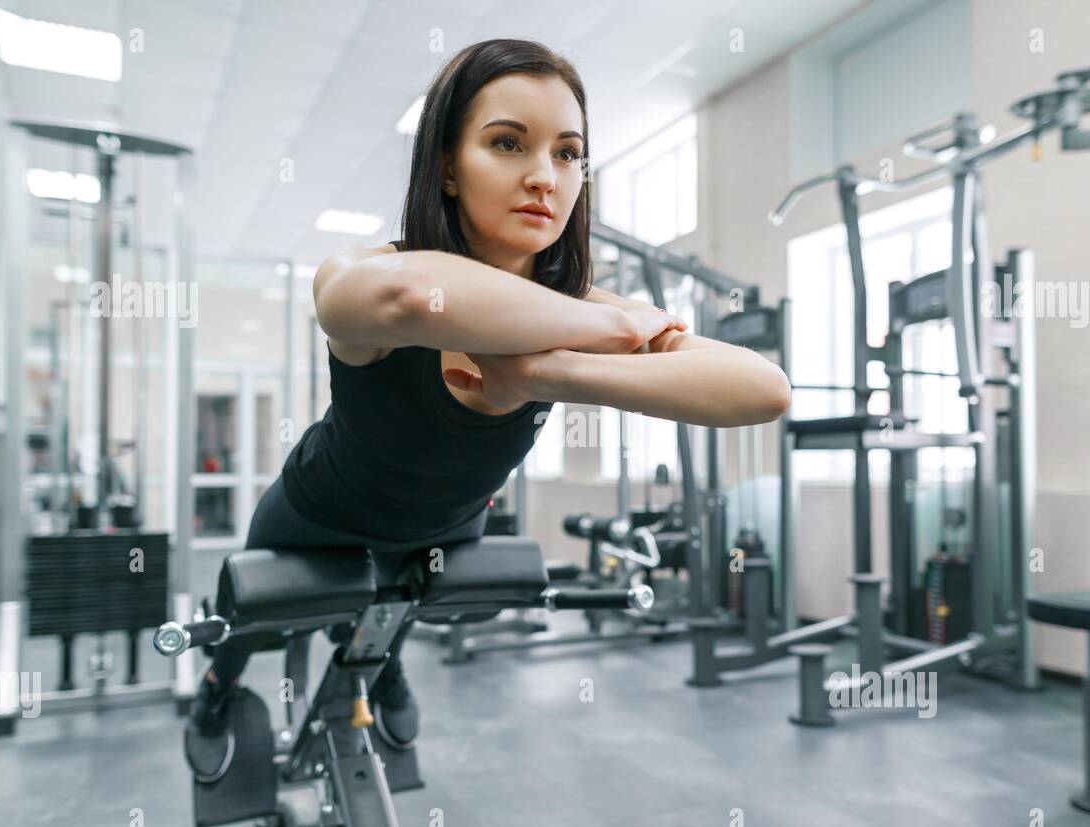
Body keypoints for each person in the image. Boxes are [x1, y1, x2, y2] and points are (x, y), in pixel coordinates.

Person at [185, 37, 791, 782]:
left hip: (446, 525)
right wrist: (606, 327)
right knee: (253, 627)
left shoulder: (578, 322)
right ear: (446, 164)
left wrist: (552, 374)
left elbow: (765, 389)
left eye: (568, 153)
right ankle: (216, 689)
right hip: (318, 512)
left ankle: (381, 671)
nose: (545, 177)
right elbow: (407, 300)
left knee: (398, 607)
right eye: (508, 143)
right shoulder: (376, 274)